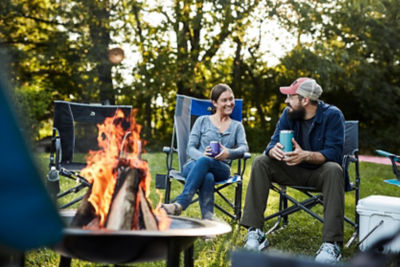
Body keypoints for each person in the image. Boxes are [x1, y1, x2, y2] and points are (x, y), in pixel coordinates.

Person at [240, 77, 345, 264]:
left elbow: (334, 153)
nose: (286, 101)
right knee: (261, 162)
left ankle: (331, 244)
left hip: (319, 173)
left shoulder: (332, 115)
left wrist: (305, 155)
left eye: (291, 97)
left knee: (334, 169)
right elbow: (272, 143)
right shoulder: (288, 114)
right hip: (291, 170)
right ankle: (255, 232)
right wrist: (273, 151)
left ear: (305, 100)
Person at [161, 84, 248, 220]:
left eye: (231, 99)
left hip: (222, 168)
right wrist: (203, 156)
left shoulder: (237, 126)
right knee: (207, 176)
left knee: (207, 168)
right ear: (214, 103)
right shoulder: (202, 121)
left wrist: (228, 153)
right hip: (193, 166)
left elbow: (244, 148)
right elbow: (190, 148)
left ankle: (180, 204)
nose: (229, 103)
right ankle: (208, 222)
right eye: (224, 100)